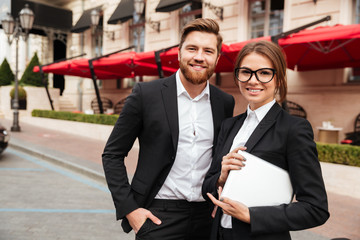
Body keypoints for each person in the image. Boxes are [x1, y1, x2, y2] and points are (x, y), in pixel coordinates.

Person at [102, 18, 235, 240]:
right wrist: (130, 210)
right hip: (159, 216)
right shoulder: (146, 95)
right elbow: (112, 154)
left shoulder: (225, 102)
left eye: (208, 51)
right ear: (179, 52)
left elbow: (218, 159)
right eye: (192, 48)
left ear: (217, 58)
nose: (199, 57)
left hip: (206, 217)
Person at [202, 40, 329, 240]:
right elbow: (206, 187)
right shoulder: (229, 126)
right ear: (237, 76)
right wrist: (221, 177)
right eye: (245, 72)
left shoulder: (294, 129)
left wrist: (251, 215)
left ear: (278, 78)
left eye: (264, 72)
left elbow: (315, 208)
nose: (253, 80)